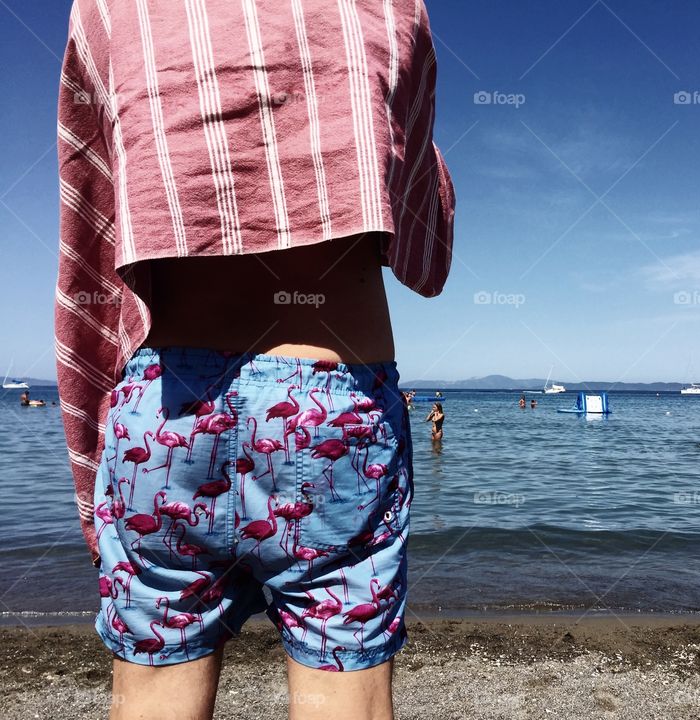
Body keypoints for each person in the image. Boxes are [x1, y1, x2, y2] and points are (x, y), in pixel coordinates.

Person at [54, 3, 454, 719]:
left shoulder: (110, 9)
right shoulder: (393, 9)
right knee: (346, 697)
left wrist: (91, 464)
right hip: (333, 401)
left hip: (166, 415)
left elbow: (91, 225)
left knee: (154, 694)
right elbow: (422, 226)